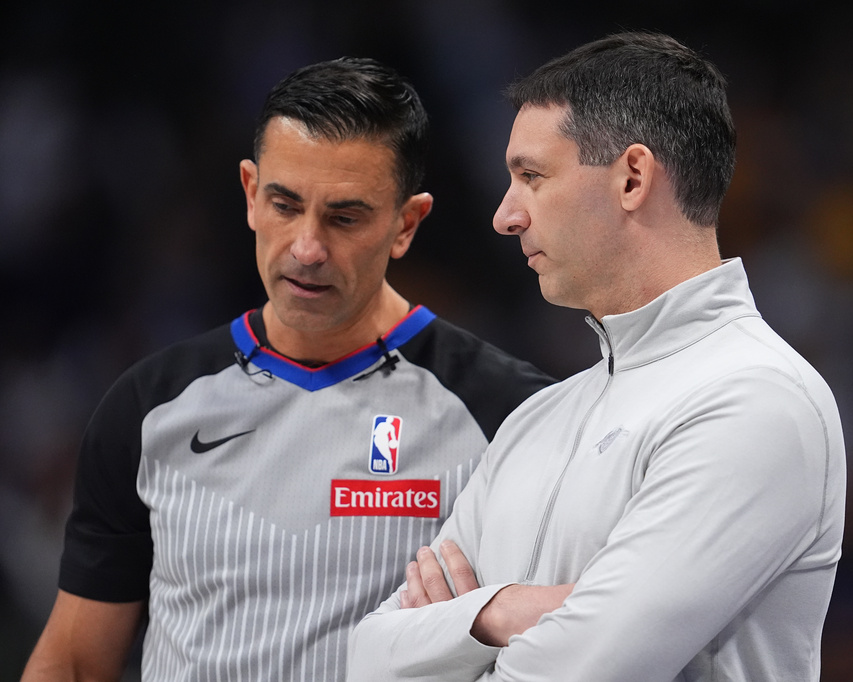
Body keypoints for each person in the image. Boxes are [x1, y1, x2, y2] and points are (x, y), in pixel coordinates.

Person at [20, 57, 552, 681]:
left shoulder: (511, 417)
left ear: (406, 224)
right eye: (284, 204)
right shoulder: (148, 409)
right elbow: (76, 662)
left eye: (344, 216)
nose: (306, 248)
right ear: (250, 194)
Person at [348, 31, 847, 681]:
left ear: (633, 178)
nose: (505, 215)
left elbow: (580, 673)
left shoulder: (758, 401)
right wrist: (497, 611)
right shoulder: (536, 421)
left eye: (532, 176)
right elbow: (365, 658)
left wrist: (445, 637)